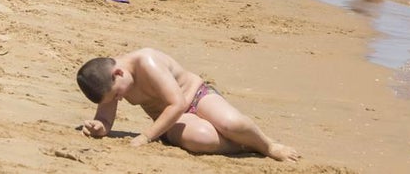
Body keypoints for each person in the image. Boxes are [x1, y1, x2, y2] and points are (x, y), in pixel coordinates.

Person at [76, 49, 298, 161]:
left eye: (117, 95)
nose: (119, 100)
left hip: (195, 96)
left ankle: (266, 145)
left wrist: (145, 137)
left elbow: (177, 102)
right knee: (203, 138)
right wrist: (99, 127)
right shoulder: (111, 85)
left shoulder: (146, 62)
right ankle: (243, 146)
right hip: (170, 120)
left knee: (233, 123)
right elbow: (105, 118)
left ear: (118, 73)